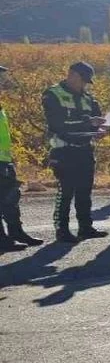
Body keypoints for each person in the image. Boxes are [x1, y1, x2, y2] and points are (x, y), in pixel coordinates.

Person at [43, 61, 107, 243]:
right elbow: (57, 124)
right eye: (82, 80)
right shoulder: (53, 94)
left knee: (84, 191)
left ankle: (85, 227)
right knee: (66, 191)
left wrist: (99, 131)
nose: (84, 84)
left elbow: (97, 121)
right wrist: (88, 123)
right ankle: (62, 229)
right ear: (71, 74)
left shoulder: (88, 99)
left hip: (85, 150)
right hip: (64, 150)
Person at [0, 66, 43, 251]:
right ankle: (3, 240)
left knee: (11, 198)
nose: (2, 80)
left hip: (4, 159)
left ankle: (16, 232)